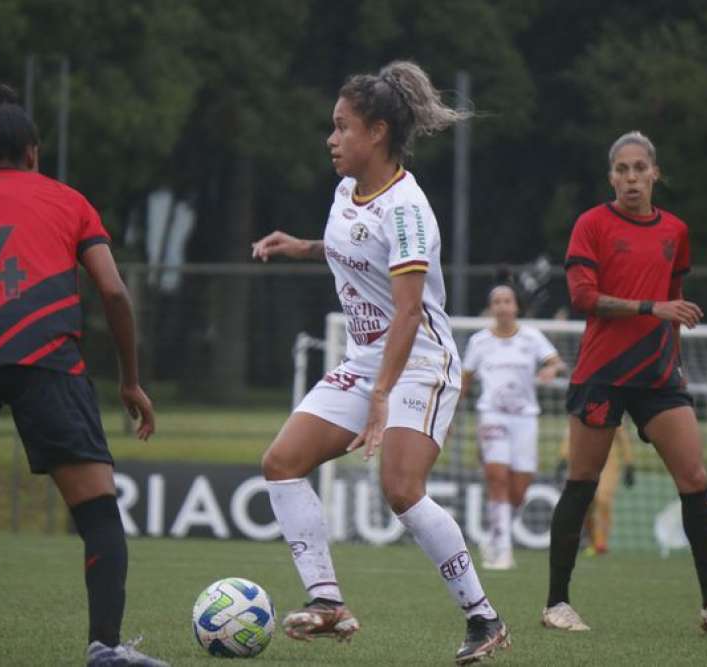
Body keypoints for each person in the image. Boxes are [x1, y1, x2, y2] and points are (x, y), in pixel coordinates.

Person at [252, 61, 510, 664]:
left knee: (399, 487)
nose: (332, 138)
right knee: (282, 462)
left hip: (420, 360)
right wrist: (304, 247)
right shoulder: (347, 190)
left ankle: (484, 618)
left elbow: (409, 309)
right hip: (371, 358)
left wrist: (379, 396)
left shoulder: (409, 209)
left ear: (377, 132)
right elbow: (355, 248)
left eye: (341, 127)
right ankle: (327, 602)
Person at [0, 84, 165, 667]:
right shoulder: (68, 201)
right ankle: (105, 647)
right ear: (34, 154)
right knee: (97, 509)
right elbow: (114, 292)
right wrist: (129, 381)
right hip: (43, 357)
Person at [543, 131, 707, 634]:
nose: (632, 178)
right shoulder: (591, 224)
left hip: (659, 377)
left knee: (696, 479)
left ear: (655, 173)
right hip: (602, 375)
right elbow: (582, 296)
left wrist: (669, 345)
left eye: (641, 168)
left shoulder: (676, 231)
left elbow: (674, 298)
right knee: (582, 484)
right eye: (622, 169)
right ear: (611, 176)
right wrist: (650, 308)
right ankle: (556, 603)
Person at [460, 281, 566, 570]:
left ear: (516, 307)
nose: (503, 307)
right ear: (491, 308)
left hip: (525, 419)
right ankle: (503, 550)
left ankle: (494, 535)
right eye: (497, 302)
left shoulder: (532, 337)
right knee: (496, 477)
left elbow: (558, 363)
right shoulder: (479, 341)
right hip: (492, 416)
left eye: (508, 301)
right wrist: (450, 416)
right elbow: (465, 380)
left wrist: (550, 368)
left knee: (519, 489)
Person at [558, 425, 635, 556]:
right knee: (586, 503)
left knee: (603, 499)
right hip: (584, 462)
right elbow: (571, 433)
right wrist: (563, 458)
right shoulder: (579, 407)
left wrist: (629, 464)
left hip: (608, 463)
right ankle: (592, 541)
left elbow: (623, 438)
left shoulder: (613, 408)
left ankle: (601, 543)